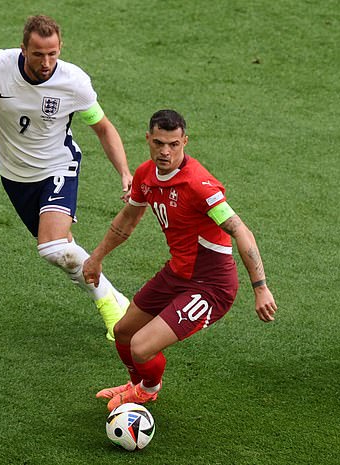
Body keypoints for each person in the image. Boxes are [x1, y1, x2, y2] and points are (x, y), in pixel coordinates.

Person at [0, 15, 133, 340]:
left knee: (51, 246)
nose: (46, 62)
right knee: (63, 252)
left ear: (60, 49)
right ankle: (115, 299)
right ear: (23, 49)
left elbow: (103, 128)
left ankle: (111, 307)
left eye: (53, 54)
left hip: (58, 166)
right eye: (38, 54)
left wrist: (125, 173)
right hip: (14, 175)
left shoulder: (73, 82)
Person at [83, 109, 278, 411]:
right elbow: (127, 221)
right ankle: (137, 385)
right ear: (148, 138)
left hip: (211, 286)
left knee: (141, 346)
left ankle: (148, 390)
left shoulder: (199, 186)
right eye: (159, 142)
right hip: (178, 274)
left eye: (173, 144)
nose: (165, 151)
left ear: (185, 141)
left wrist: (260, 287)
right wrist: (96, 258)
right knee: (123, 332)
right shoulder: (146, 175)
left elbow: (241, 230)